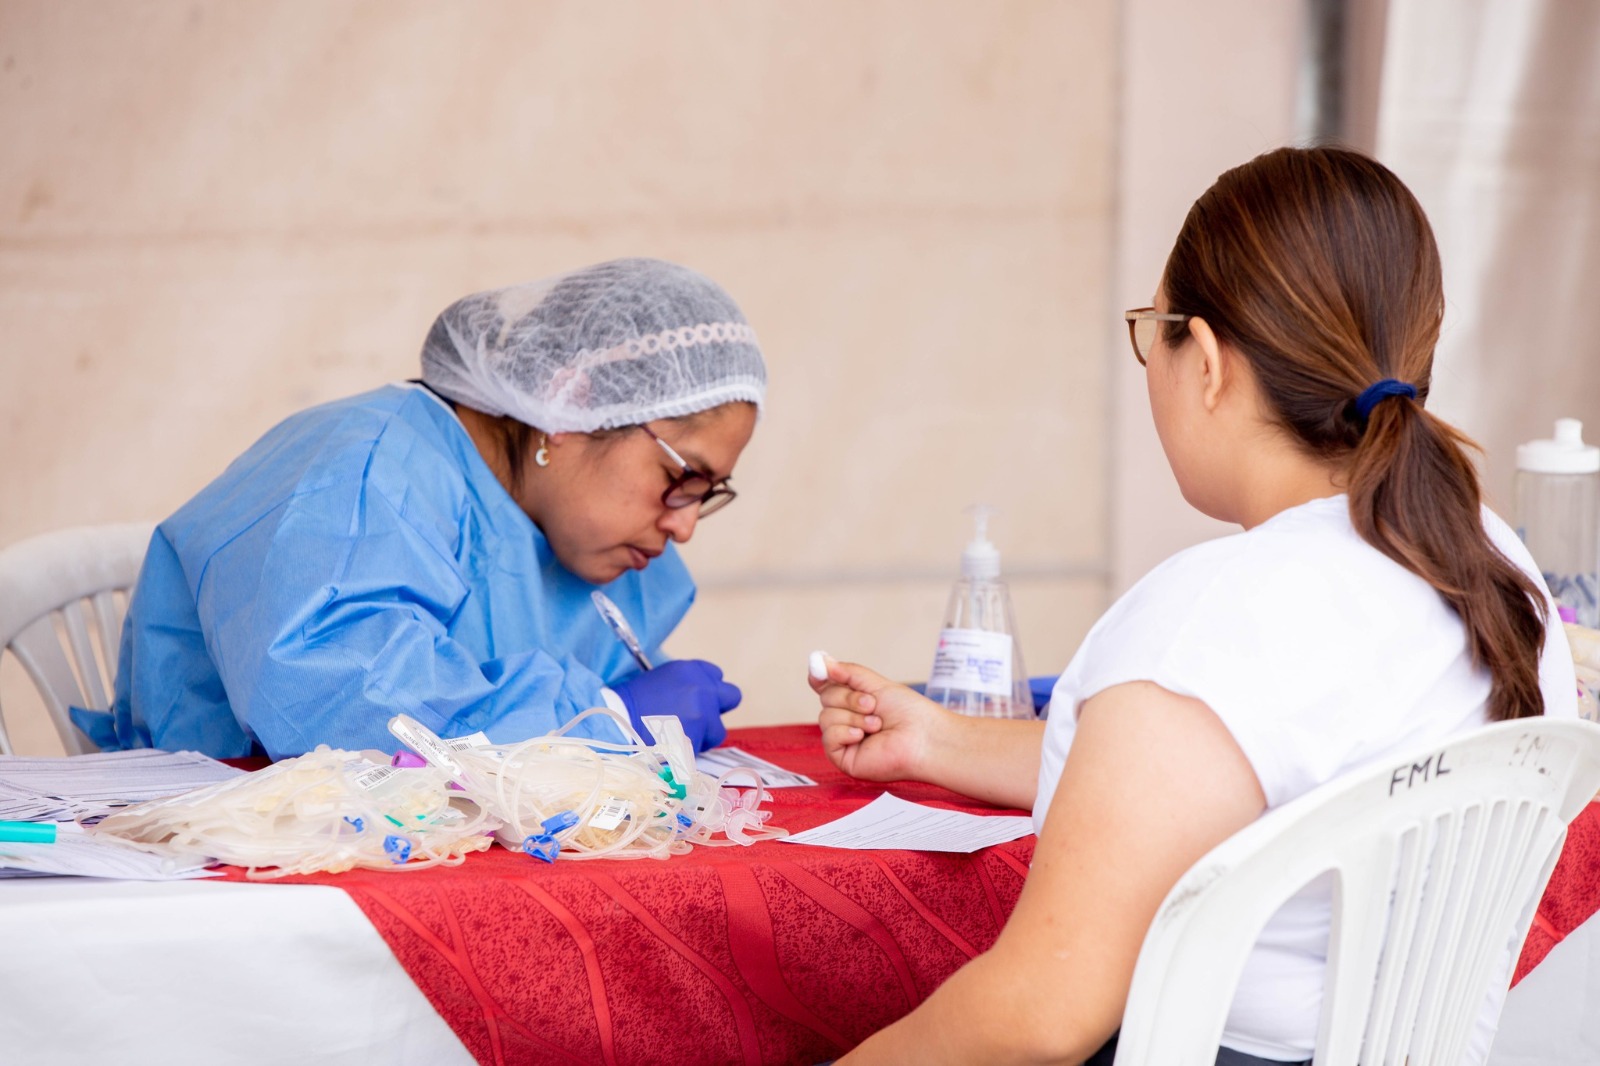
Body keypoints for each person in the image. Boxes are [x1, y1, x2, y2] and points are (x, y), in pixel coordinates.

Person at [810, 147, 1578, 1065]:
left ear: (1206, 359)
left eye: (1155, 329)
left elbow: (1039, 1016)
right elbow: (1228, 773)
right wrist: (937, 741)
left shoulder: (1215, 612)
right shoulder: (1493, 569)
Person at [90, 258, 764, 760]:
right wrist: (601, 717)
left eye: (707, 496)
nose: (682, 526)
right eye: (681, 477)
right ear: (571, 404)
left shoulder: (573, 538)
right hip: (238, 867)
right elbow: (347, 720)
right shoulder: (361, 473)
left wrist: (621, 716)